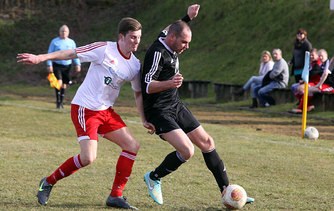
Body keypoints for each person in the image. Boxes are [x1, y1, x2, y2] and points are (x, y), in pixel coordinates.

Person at [17, 17, 154, 210]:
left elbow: (138, 93)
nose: (136, 41)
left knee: (132, 146)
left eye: (138, 37)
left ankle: (116, 196)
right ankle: (47, 182)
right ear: (121, 37)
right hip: (85, 108)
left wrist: (144, 119)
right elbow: (71, 53)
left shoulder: (135, 65)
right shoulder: (104, 49)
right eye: (132, 37)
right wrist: (41, 58)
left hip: (106, 111)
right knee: (88, 158)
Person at [141, 4, 254, 206]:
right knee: (187, 151)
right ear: (172, 39)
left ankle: (227, 191)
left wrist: (188, 17)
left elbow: (176, 25)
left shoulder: (168, 35)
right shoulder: (157, 53)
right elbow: (147, 85)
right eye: (184, 42)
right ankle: (154, 177)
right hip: (158, 111)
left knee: (207, 143)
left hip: (175, 104)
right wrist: (170, 83)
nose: (187, 46)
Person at [47, 25, 81, 109]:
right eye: (62, 31)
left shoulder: (71, 42)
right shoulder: (55, 42)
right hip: (57, 65)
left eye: (65, 31)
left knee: (64, 84)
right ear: (59, 32)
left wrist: (77, 64)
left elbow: (75, 53)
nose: (63, 33)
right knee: (59, 82)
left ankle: (61, 102)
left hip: (67, 66)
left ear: (68, 33)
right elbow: (49, 53)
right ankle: (58, 102)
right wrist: (49, 65)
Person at [289, 48, 322, 114]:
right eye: (310, 55)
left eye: (313, 55)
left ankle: (301, 108)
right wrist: (303, 80)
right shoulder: (311, 63)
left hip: (316, 83)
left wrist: (304, 81)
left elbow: (313, 73)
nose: (311, 57)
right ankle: (308, 105)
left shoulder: (318, 63)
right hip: (310, 81)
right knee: (293, 87)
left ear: (317, 56)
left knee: (301, 88)